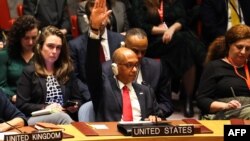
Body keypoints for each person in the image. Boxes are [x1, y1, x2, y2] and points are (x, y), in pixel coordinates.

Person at [130, 0, 206, 117]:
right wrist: (164, 31)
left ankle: (188, 99)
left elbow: (182, 20)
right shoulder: (139, 2)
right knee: (185, 41)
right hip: (150, 42)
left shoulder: (172, 2)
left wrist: (172, 29)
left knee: (186, 51)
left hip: (173, 40)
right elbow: (141, 25)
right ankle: (206, 63)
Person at [16, 26, 90, 125]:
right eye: (50, 46)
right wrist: (46, 107)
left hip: (65, 116)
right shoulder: (29, 72)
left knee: (63, 116)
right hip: (37, 118)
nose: (54, 51)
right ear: (40, 47)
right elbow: (21, 105)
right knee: (61, 117)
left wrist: (74, 106)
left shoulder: (67, 71)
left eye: (58, 47)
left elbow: (77, 98)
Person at [102, 28, 174, 118]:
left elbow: (166, 104)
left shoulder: (157, 68)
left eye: (143, 51)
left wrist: (155, 115)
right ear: (123, 46)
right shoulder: (107, 69)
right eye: (135, 51)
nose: (139, 55)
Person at [69, 0, 124, 106]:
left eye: (103, 14)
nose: (102, 20)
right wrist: (92, 95)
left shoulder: (120, 40)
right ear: (88, 19)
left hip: (119, 96)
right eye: (97, 15)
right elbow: (75, 78)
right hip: (90, 97)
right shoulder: (75, 45)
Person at [94, 47, 163, 121]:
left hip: (139, 130)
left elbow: (159, 116)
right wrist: (94, 37)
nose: (134, 70)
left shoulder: (146, 91)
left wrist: (154, 118)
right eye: (129, 65)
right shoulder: (104, 88)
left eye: (136, 65)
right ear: (115, 67)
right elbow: (91, 67)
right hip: (113, 130)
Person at [196, 24, 250, 119]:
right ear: (229, 45)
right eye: (239, 47)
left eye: (248, 49)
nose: (243, 52)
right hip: (225, 113)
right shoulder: (214, 67)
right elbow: (202, 100)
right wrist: (225, 106)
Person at [0, 15, 40, 103]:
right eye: (26, 38)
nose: (30, 42)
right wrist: (12, 96)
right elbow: (1, 86)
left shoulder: (41, 54)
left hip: (37, 102)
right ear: (18, 37)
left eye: (34, 38)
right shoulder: (4, 55)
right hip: (13, 103)